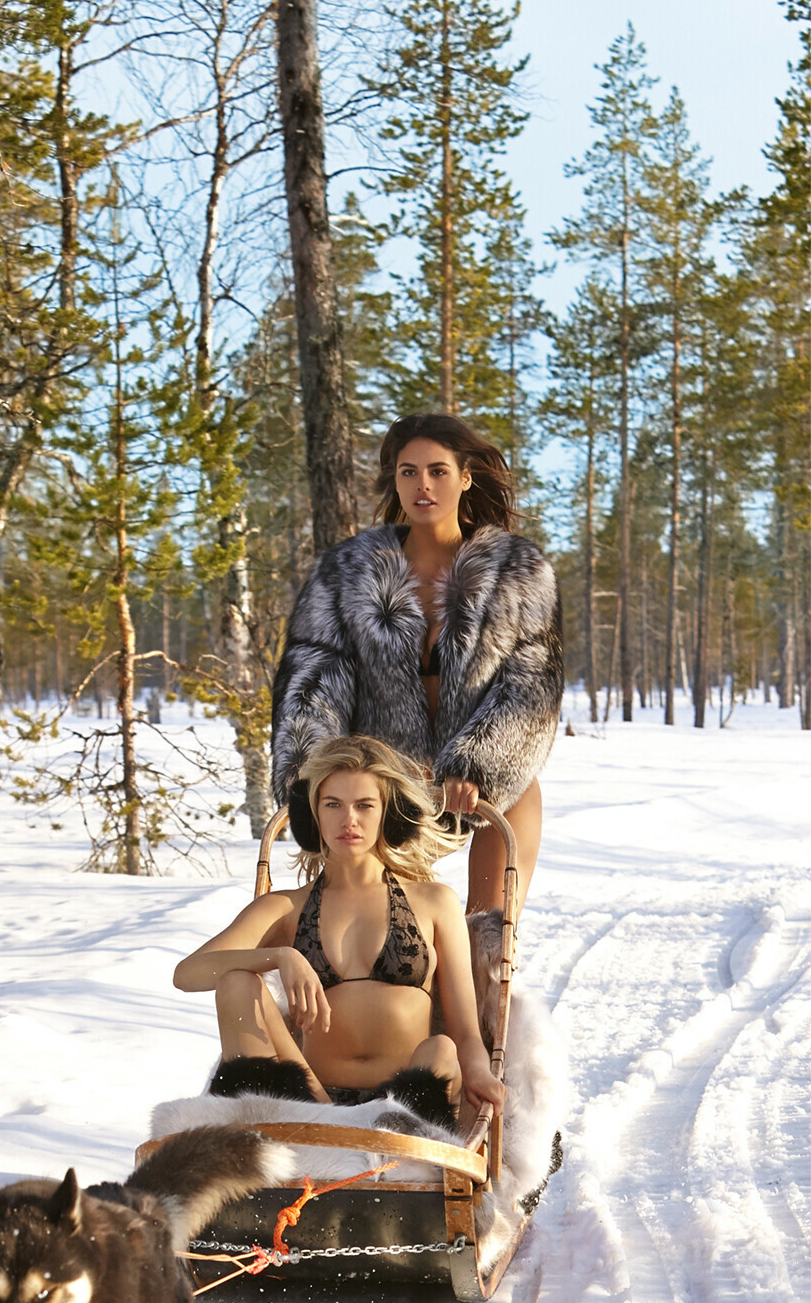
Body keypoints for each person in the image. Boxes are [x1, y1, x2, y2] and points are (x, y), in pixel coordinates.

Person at [270, 412, 563, 916]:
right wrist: (310, 773)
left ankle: (489, 941)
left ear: (465, 477)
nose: (422, 484)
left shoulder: (519, 572)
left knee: (520, 794)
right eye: (408, 472)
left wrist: (477, 766)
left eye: (437, 471)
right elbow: (312, 679)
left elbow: (531, 684)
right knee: (394, 932)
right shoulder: (345, 572)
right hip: (380, 780)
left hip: (471, 786)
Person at [173, 736, 505, 1119]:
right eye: (333, 804)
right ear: (312, 813)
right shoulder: (286, 908)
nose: (349, 820)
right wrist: (281, 957)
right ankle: (272, 1125)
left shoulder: (434, 902)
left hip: (403, 1103)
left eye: (365, 805)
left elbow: (465, 1033)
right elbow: (187, 974)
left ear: (388, 813)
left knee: (442, 1049)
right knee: (236, 983)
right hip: (314, 1104)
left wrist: (479, 1071)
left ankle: (395, 1138)